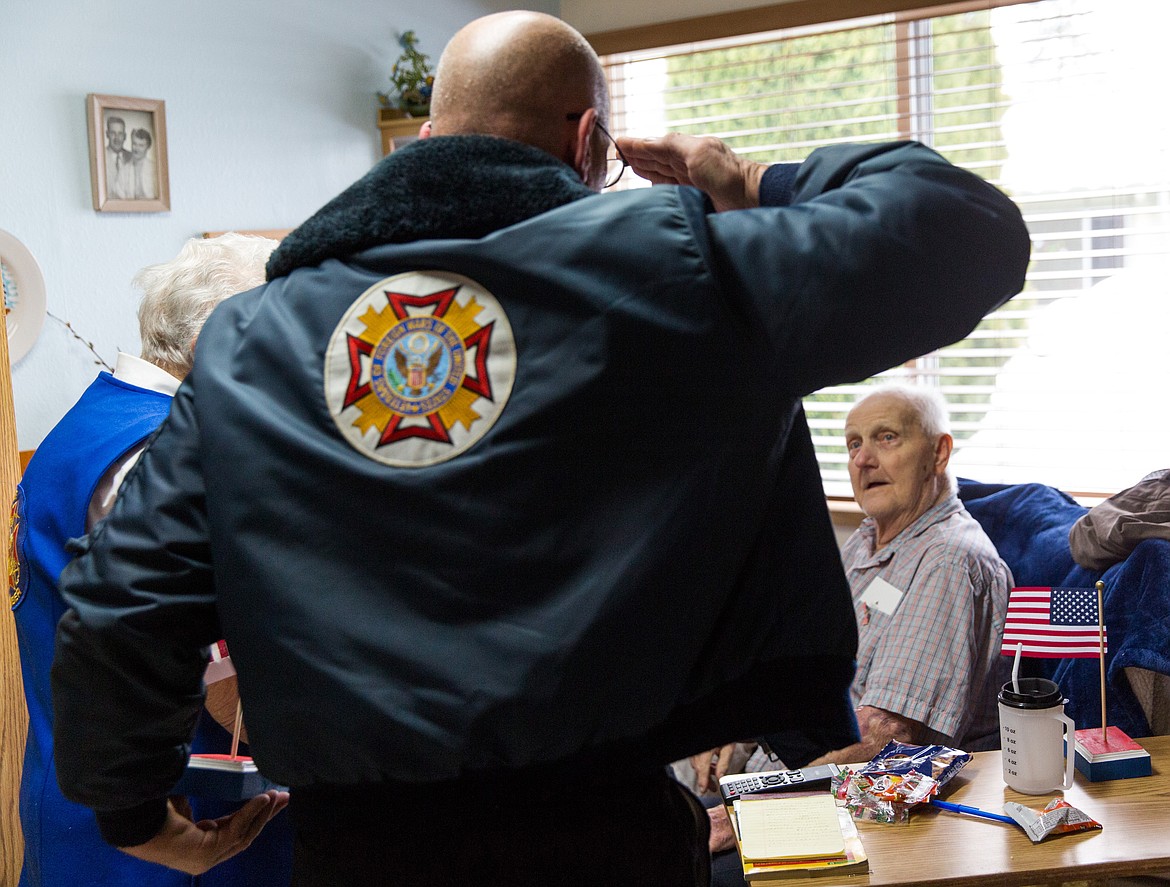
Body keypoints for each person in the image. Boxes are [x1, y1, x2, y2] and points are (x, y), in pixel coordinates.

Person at [50, 10, 1030, 886]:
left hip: (357, 846)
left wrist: (132, 805)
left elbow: (122, 599)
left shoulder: (251, 338)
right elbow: (967, 230)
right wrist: (748, 180)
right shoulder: (680, 275)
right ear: (589, 139)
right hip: (601, 830)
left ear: (424, 141)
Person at [11, 234, 289, 887]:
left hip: (76, 794)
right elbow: (238, 699)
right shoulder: (169, 457)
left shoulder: (95, 417)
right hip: (172, 831)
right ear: (214, 348)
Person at [702, 384, 1014, 865]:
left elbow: (886, 738)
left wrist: (743, 811)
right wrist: (739, 728)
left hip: (866, 812)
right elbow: (805, 674)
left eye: (886, 438)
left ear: (938, 452)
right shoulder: (865, 544)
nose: (863, 459)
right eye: (853, 444)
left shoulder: (949, 561)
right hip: (793, 783)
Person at [117, 127, 158, 200]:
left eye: (141, 145)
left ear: (148, 147)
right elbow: (119, 196)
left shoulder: (155, 169)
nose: (136, 149)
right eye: (134, 144)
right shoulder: (123, 171)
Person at [104, 115, 132, 199]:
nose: (117, 138)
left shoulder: (132, 157)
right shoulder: (100, 157)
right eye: (113, 133)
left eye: (120, 134)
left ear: (125, 136)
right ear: (107, 134)